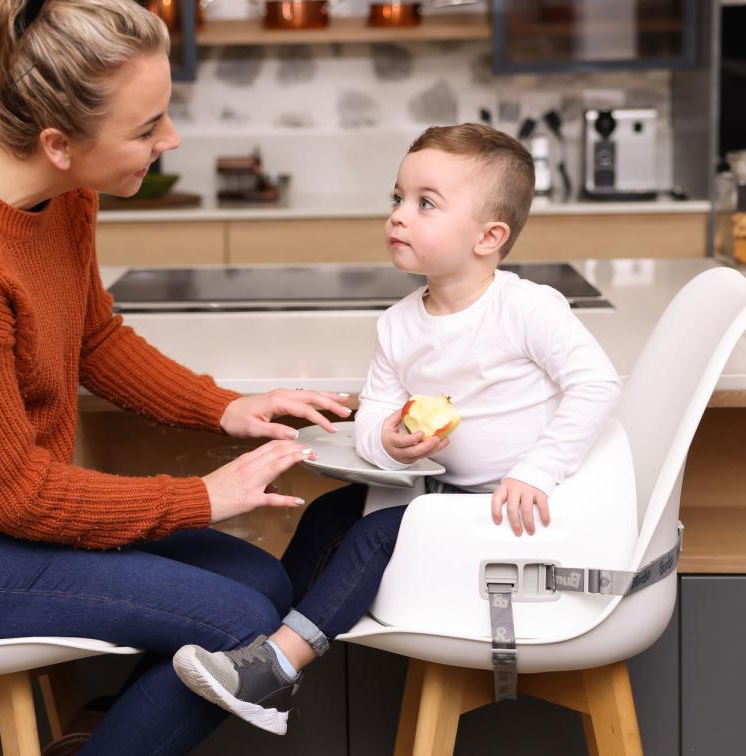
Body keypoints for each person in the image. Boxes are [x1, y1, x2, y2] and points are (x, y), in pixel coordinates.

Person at [0, 0, 353, 756]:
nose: (173, 139)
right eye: (148, 126)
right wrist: (202, 498)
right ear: (57, 141)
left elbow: (93, 338)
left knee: (262, 577)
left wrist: (226, 407)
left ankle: (101, 737)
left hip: (0, 528)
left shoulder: (59, 189)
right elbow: (16, 495)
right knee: (245, 623)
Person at [172, 123, 623, 735]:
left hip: (505, 508)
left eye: (426, 204)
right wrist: (386, 438)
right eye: (397, 198)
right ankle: (257, 639)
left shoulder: (527, 309)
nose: (399, 216)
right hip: (443, 494)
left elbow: (598, 385)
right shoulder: (398, 324)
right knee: (328, 517)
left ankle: (275, 671)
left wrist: (535, 471)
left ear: (490, 237)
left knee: (377, 535)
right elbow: (375, 415)